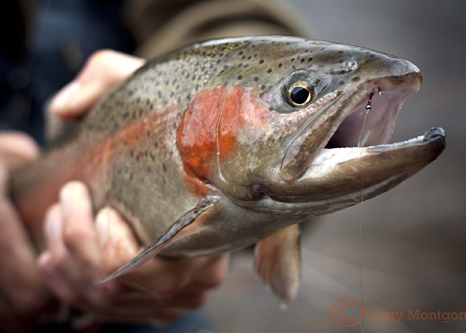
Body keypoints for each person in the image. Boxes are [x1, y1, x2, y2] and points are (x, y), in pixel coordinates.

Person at [0, 0, 306, 331]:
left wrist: (171, 89)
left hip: (152, 297)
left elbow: (223, 14)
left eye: (301, 95)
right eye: (300, 95)